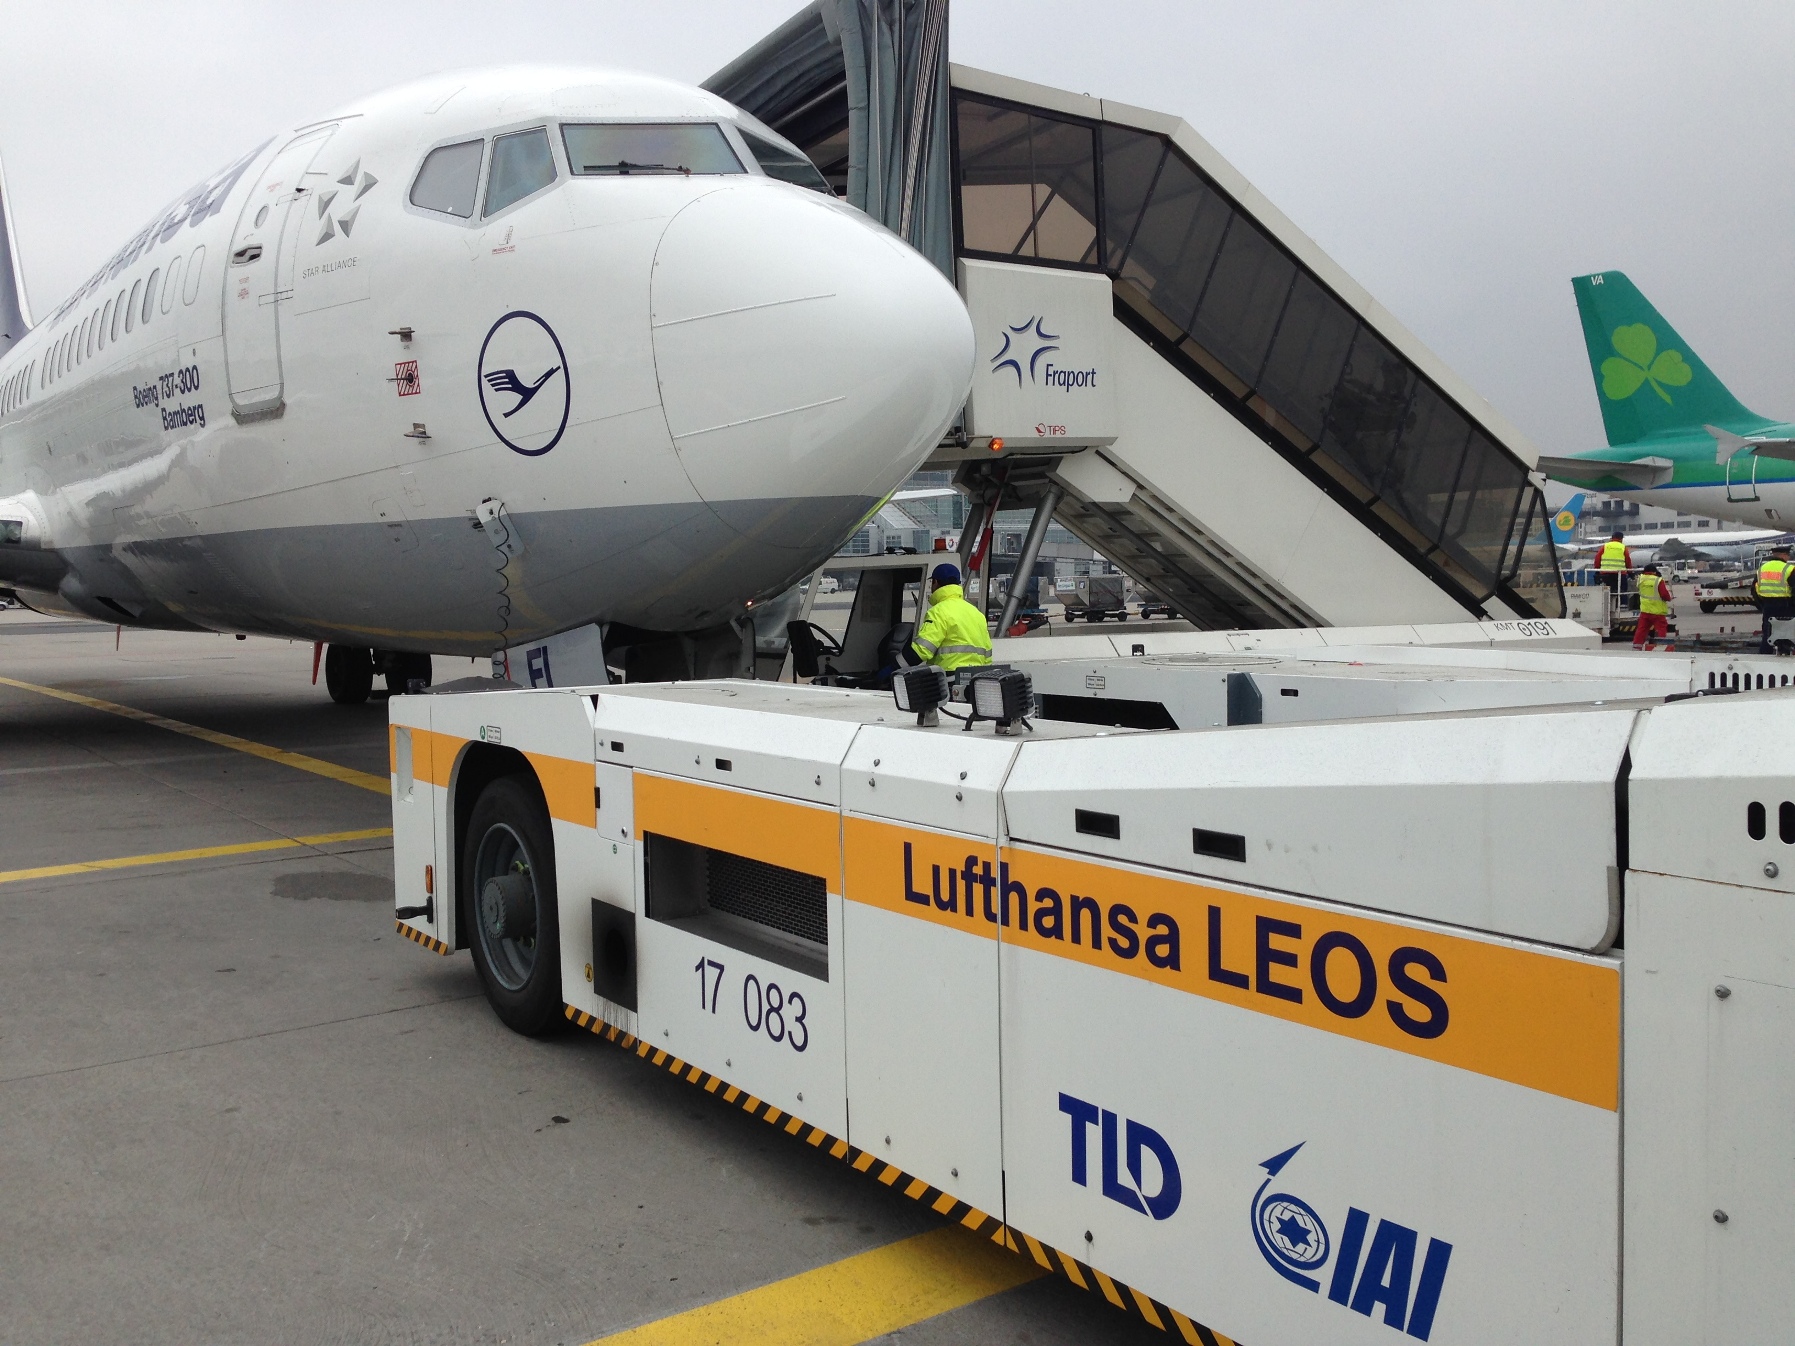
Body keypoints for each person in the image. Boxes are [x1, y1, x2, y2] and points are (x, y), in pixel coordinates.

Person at [911, 562, 993, 671]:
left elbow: (922, 650)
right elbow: (987, 658)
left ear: (935, 582)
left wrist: (893, 667)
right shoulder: (977, 614)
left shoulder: (938, 612)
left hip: (948, 680)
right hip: (976, 680)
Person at [1754, 543, 1794, 653]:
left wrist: (1762, 604)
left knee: (1768, 633)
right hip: (1786, 606)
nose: (1789, 557)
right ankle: (1784, 655)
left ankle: (1764, 657)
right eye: (1787, 555)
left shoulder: (1762, 569)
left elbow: (1755, 589)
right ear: (1783, 556)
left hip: (1768, 605)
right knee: (1786, 634)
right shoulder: (1789, 569)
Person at [1633, 562, 1673, 651]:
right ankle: (1660, 646)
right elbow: (1664, 594)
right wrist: (1669, 598)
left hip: (1645, 610)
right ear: (1654, 571)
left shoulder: (1640, 579)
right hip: (1657, 611)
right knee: (1661, 629)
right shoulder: (1658, 580)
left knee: (1642, 629)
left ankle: (1636, 647)